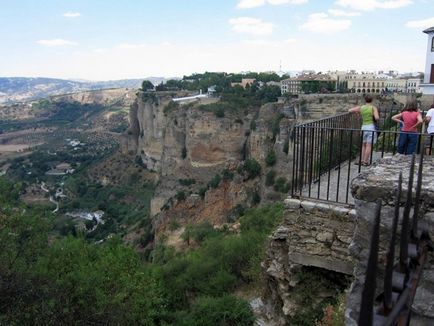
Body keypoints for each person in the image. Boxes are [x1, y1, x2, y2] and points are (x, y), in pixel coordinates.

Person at [349, 95, 380, 166]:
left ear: (365, 100)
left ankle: (361, 160)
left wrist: (358, 112)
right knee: (369, 145)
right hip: (371, 127)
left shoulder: (361, 107)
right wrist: (373, 114)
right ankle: (365, 161)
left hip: (363, 127)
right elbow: (377, 118)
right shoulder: (373, 108)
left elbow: (350, 110)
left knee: (363, 145)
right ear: (372, 100)